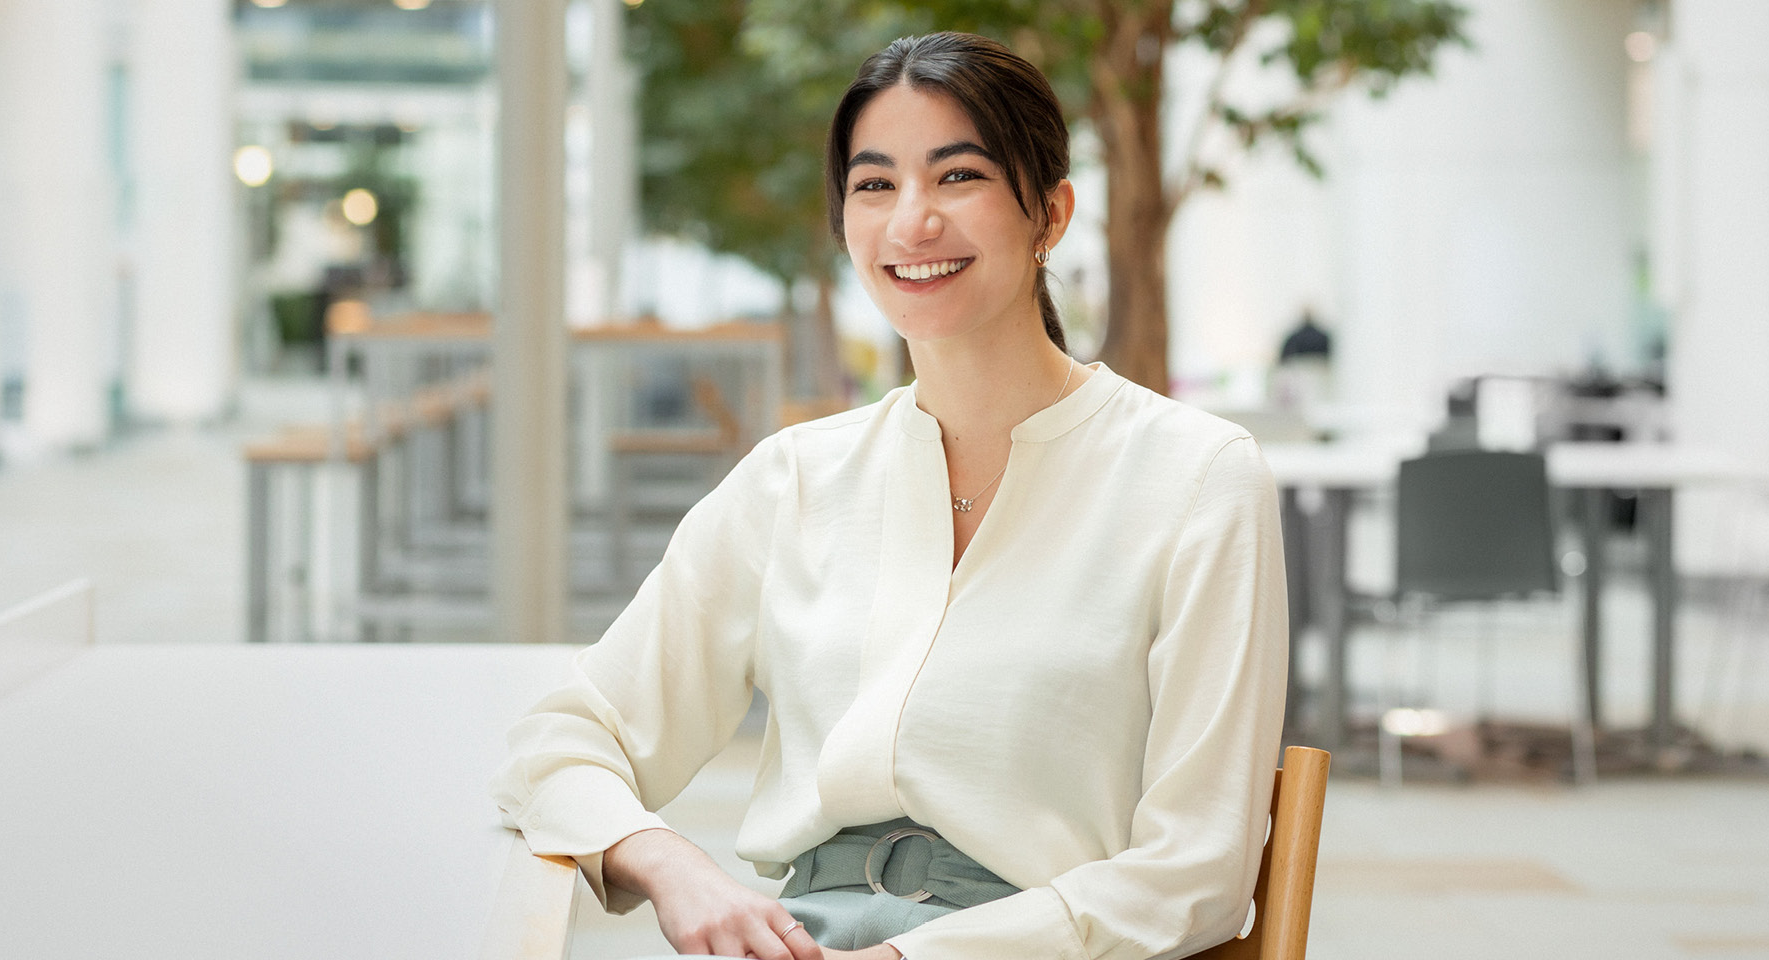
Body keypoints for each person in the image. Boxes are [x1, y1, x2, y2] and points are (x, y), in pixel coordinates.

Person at [494, 32, 1287, 960]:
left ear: (1052, 214)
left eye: (959, 177)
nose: (912, 222)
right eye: (874, 185)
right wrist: (673, 866)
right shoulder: (795, 478)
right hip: (810, 936)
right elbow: (561, 741)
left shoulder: (1196, 475)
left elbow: (1199, 869)